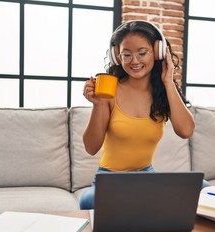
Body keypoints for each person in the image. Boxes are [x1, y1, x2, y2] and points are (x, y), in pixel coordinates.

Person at [79, 20, 196, 209]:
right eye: (127, 55)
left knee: (201, 189)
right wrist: (98, 104)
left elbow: (186, 130)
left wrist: (168, 82)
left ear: (157, 52)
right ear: (117, 56)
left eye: (142, 53)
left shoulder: (162, 93)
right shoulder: (110, 90)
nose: (134, 61)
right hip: (110, 179)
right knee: (88, 201)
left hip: (146, 177)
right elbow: (91, 147)